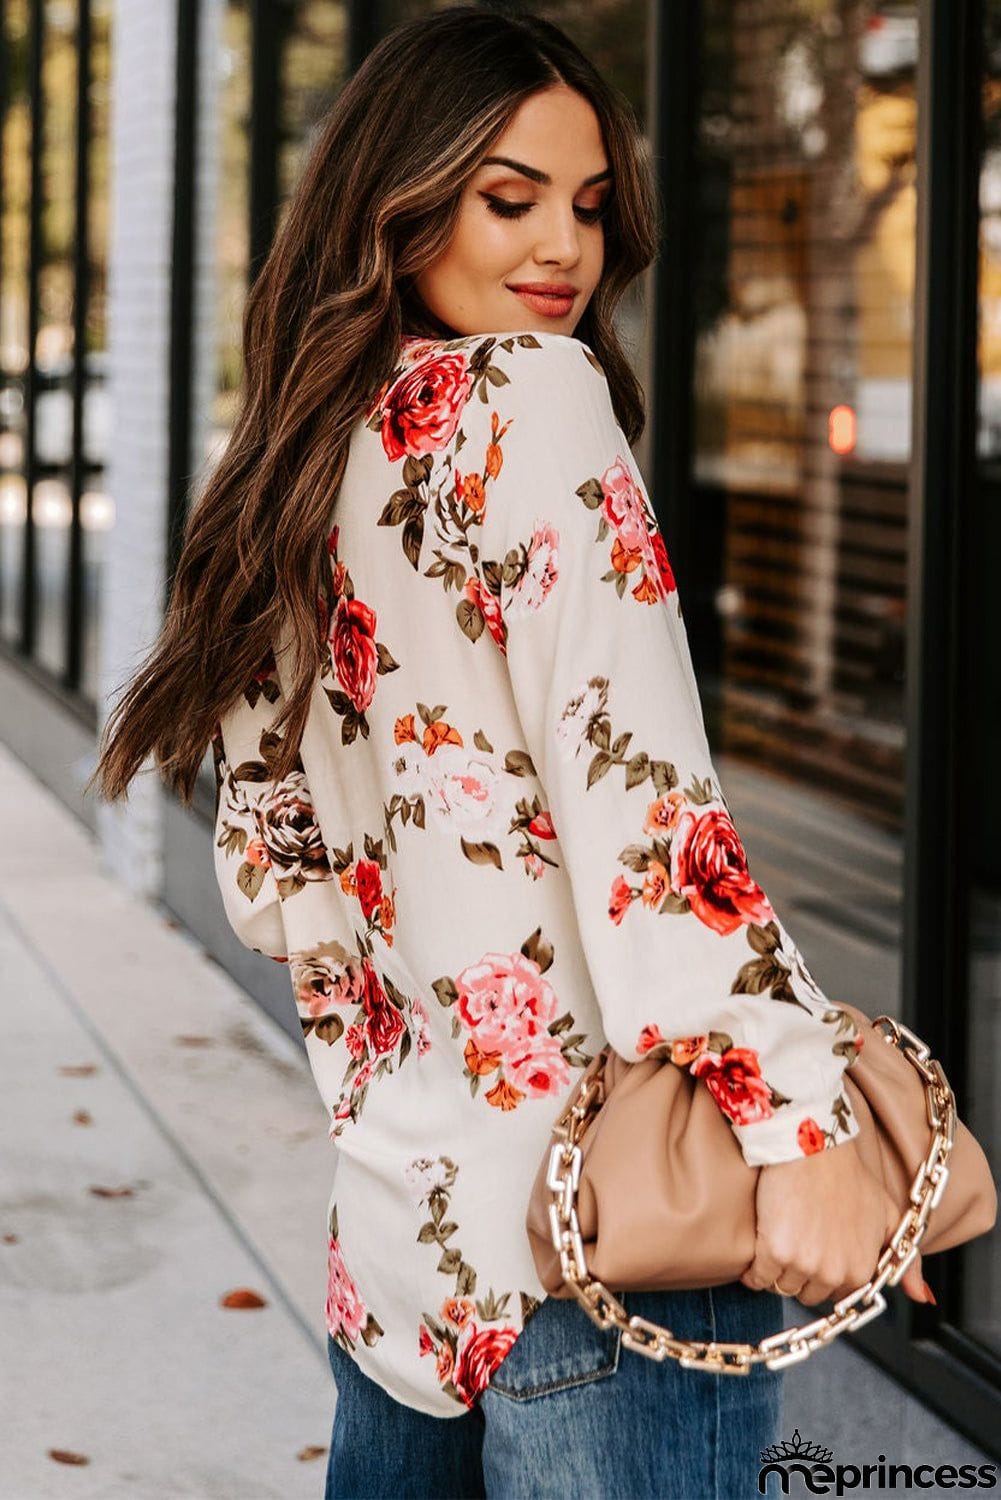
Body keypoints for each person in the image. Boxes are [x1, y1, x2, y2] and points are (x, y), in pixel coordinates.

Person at [90, 7, 932, 1497]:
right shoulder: (534, 404)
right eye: (508, 197)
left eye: (591, 205)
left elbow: (277, 889)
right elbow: (647, 807)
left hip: (406, 1230)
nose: (563, 249)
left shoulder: (298, 453)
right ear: (397, 199)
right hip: (601, 1235)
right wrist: (794, 1117)